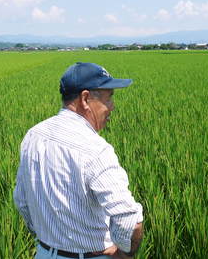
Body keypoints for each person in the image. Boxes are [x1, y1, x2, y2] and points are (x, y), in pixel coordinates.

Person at [14, 62, 143, 259]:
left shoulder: (33, 135)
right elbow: (129, 219)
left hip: (44, 253)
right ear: (85, 98)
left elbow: (22, 201)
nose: (112, 107)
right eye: (109, 98)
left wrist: (48, 240)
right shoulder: (95, 149)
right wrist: (125, 253)